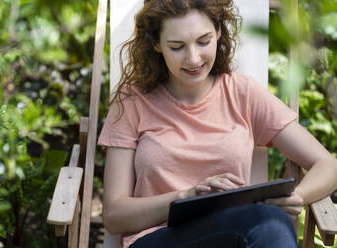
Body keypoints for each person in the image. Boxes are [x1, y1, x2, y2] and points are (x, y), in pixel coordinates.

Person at [98, 0, 337, 247]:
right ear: (157, 44)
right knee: (269, 222)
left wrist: (297, 197)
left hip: (237, 234)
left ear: (218, 32)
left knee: (271, 221)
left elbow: (327, 165)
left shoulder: (242, 94)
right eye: (177, 46)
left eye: (203, 41)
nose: (193, 58)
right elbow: (115, 216)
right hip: (159, 239)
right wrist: (187, 196)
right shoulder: (132, 102)